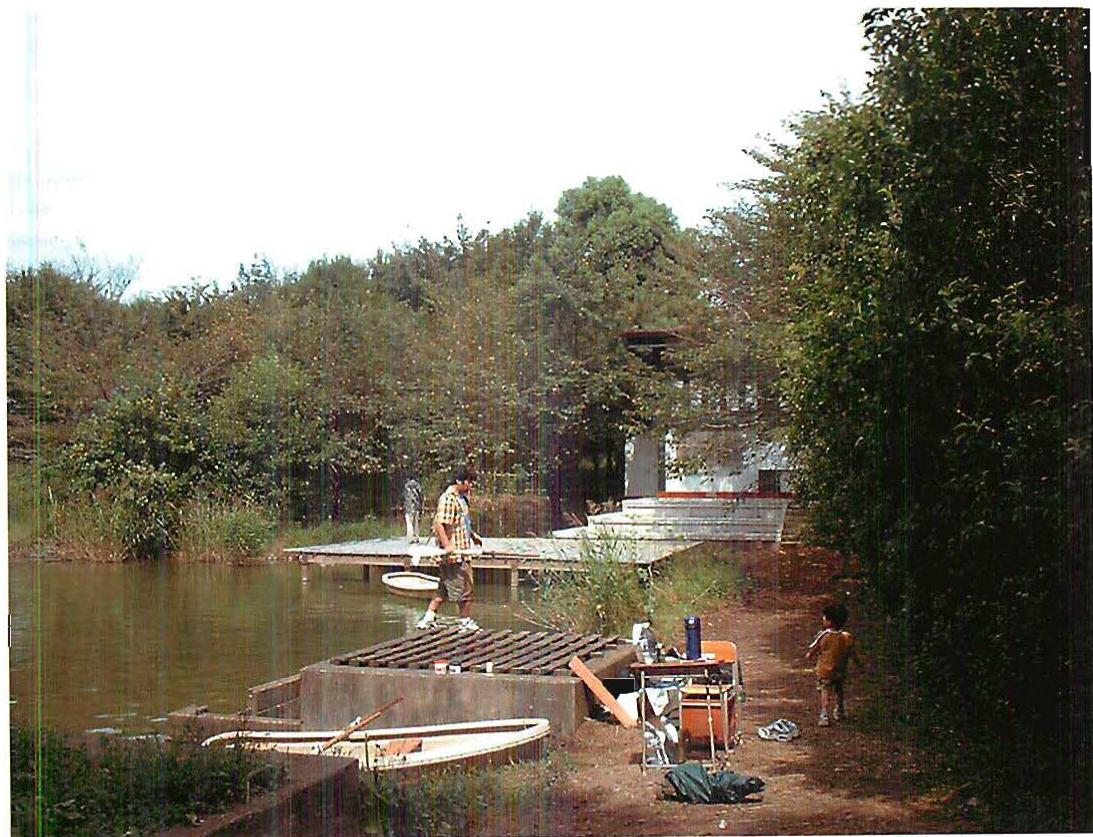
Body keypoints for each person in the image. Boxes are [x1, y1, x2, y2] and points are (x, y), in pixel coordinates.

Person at [415, 467, 483, 631]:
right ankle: (465, 621)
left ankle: (428, 618)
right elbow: (439, 524)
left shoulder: (461, 499)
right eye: (469, 482)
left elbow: (461, 522)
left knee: (443, 590)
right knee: (466, 587)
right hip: (454, 555)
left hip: (463, 550)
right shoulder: (448, 499)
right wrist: (447, 545)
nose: (471, 486)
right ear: (459, 481)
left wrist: (473, 536)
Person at [804, 601, 863, 726]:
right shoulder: (847, 637)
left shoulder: (824, 636)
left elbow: (815, 648)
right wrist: (858, 665)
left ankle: (824, 714)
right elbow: (852, 653)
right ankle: (840, 710)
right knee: (839, 690)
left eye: (825, 617)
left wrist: (810, 654)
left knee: (825, 691)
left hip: (825, 671)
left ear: (829, 621)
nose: (823, 619)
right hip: (840, 671)